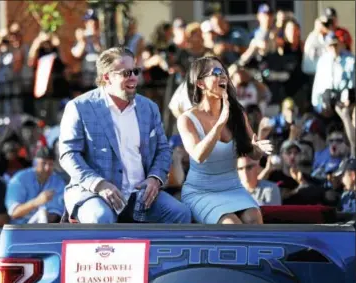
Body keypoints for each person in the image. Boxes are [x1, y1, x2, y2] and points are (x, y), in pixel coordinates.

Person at [59, 46, 191, 224]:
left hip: (140, 195)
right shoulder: (79, 107)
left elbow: (163, 149)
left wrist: (154, 178)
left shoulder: (148, 108)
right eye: (126, 73)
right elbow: (68, 155)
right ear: (107, 77)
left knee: (180, 213)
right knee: (100, 218)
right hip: (93, 193)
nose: (134, 78)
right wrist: (98, 184)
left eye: (135, 71)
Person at [177, 56, 273, 224]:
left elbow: (254, 154)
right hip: (201, 191)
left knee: (254, 219)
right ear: (200, 83)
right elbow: (198, 156)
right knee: (231, 224)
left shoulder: (237, 114)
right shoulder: (187, 119)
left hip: (232, 187)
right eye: (216, 72)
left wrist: (258, 148)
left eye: (224, 72)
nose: (223, 77)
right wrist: (220, 123)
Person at [5, 147, 65, 224]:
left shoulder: (58, 182)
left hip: (44, 229)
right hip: (19, 229)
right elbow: (14, 213)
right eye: (43, 163)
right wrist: (36, 202)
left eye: (51, 164)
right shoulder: (19, 179)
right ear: (35, 163)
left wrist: (44, 216)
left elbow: (56, 212)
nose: (47, 168)